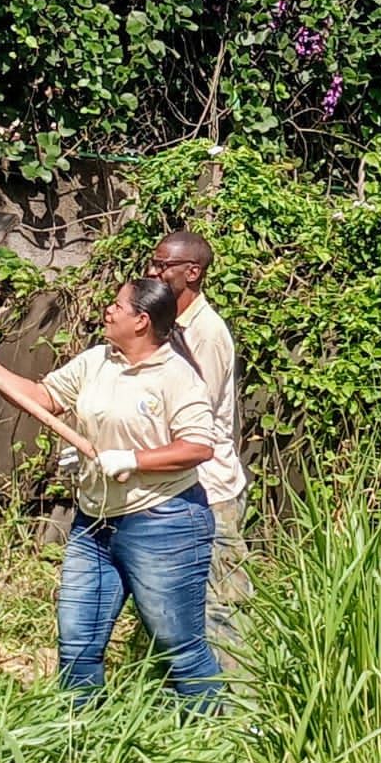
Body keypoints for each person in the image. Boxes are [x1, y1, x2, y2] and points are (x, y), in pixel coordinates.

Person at [0, 278, 224, 710]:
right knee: (77, 640)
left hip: (163, 523)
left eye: (117, 306)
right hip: (94, 524)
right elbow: (43, 398)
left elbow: (198, 447)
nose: (108, 311)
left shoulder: (176, 377)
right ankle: (80, 732)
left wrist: (132, 459)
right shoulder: (97, 361)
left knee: (177, 644)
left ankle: (211, 729)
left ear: (141, 321)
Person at [145, 230, 252, 664]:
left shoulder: (205, 333)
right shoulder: (168, 324)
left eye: (162, 265)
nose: (152, 271)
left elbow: (194, 413)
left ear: (193, 272)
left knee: (223, 604)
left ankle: (241, 693)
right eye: (152, 262)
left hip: (211, 488)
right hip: (180, 483)